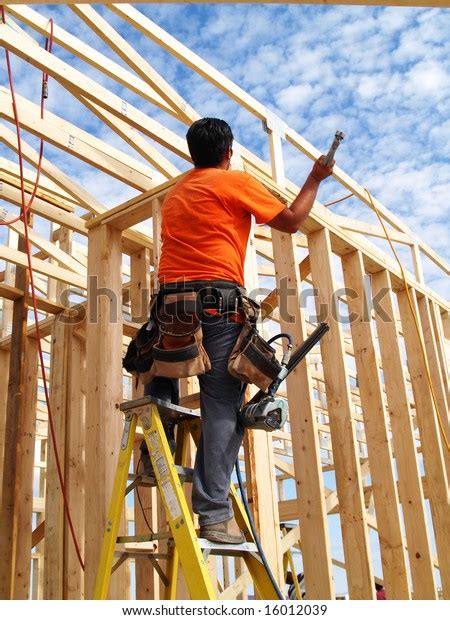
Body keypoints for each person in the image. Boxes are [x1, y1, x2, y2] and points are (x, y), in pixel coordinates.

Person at [142, 118, 333, 544]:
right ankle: (212, 514)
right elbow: (291, 221)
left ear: (193, 153)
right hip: (218, 305)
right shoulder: (234, 183)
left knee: (160, 374)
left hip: (171, 303)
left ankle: (152, 457)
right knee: (223, 403)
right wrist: (315, 179)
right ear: (227, 152)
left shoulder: (176, 195)